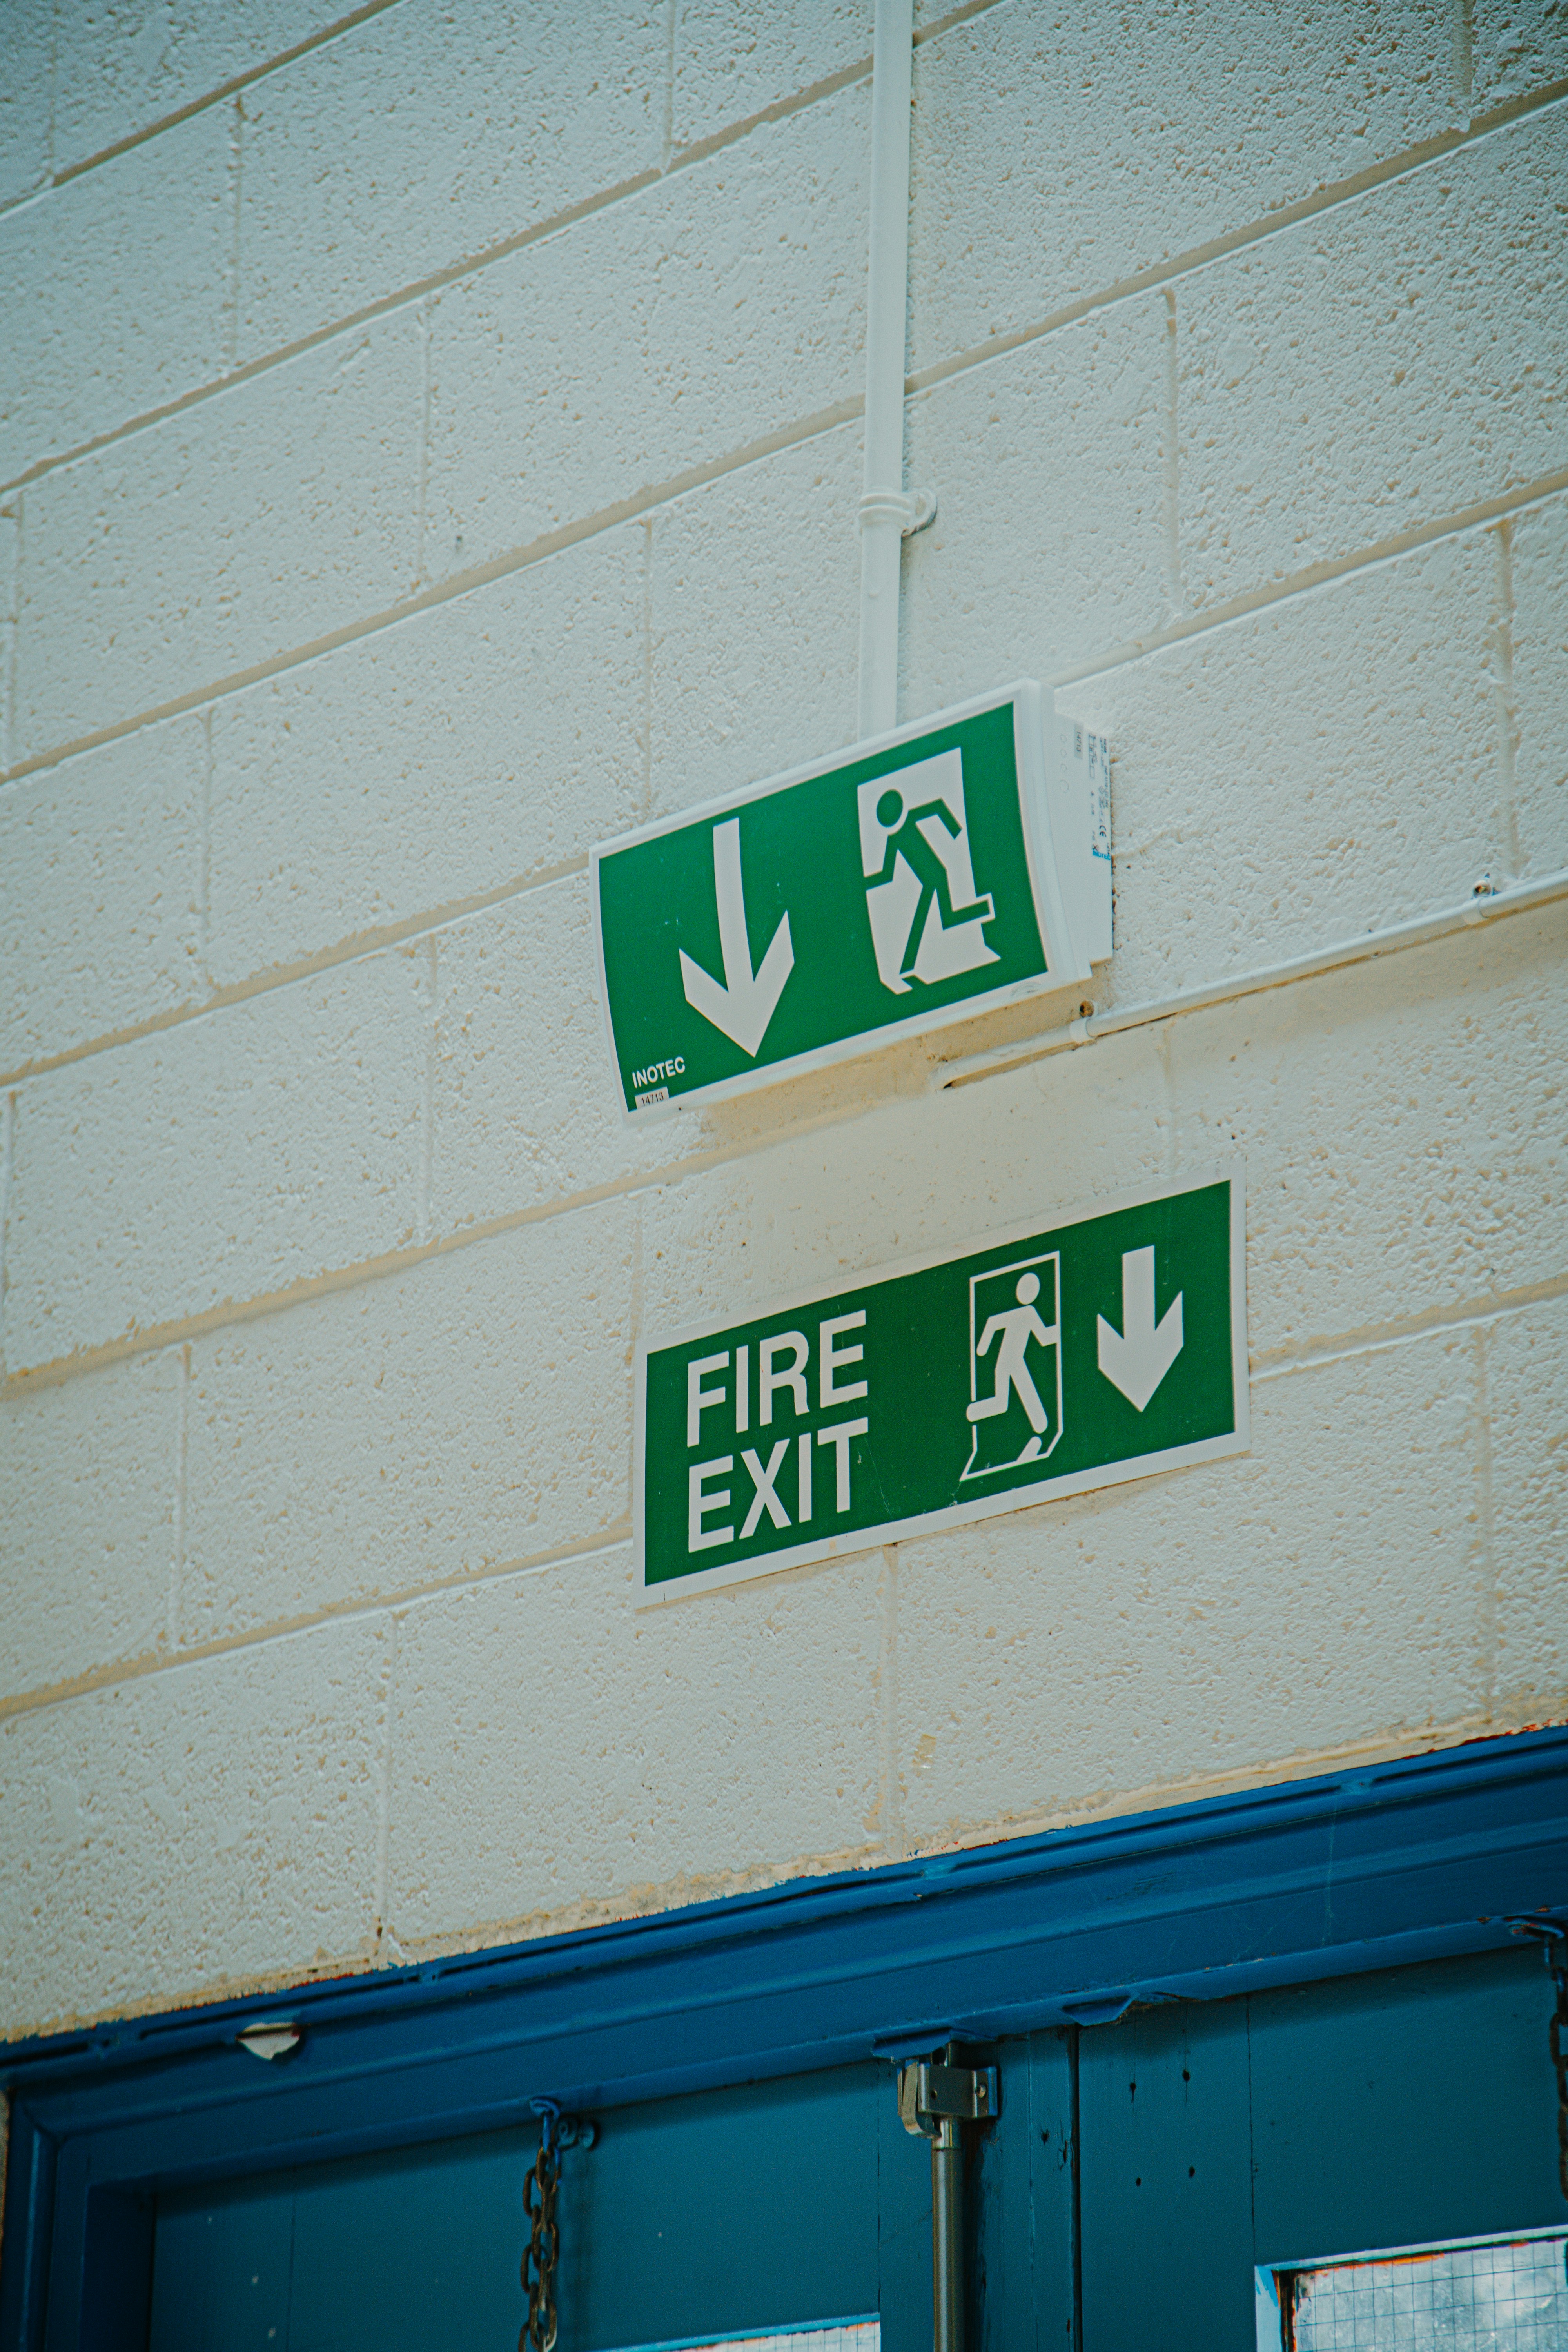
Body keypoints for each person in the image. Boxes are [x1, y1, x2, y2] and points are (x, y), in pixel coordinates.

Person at [871, 785, 982, 982]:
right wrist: (874, 882)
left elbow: (936, 808)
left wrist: (953, 826)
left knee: (933, 893)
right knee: (927, 902)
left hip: (934, 870)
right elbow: (888, 870)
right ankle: (909, 960)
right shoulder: (895, 839)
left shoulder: (902, 829)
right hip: (929, 873)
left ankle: (911, 958)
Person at [967, 1272, 1053, 1440]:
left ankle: (974, 1412)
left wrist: (983, 1348)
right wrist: (982, 1348)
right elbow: (1045, 1337)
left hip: (1008, 1363)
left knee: (1003, 1401)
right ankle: (973, 1412)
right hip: (1010, 1362)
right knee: (1005, 1400)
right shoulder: (1029, 1313)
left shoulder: (1029, 1313)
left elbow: (992, 1323)